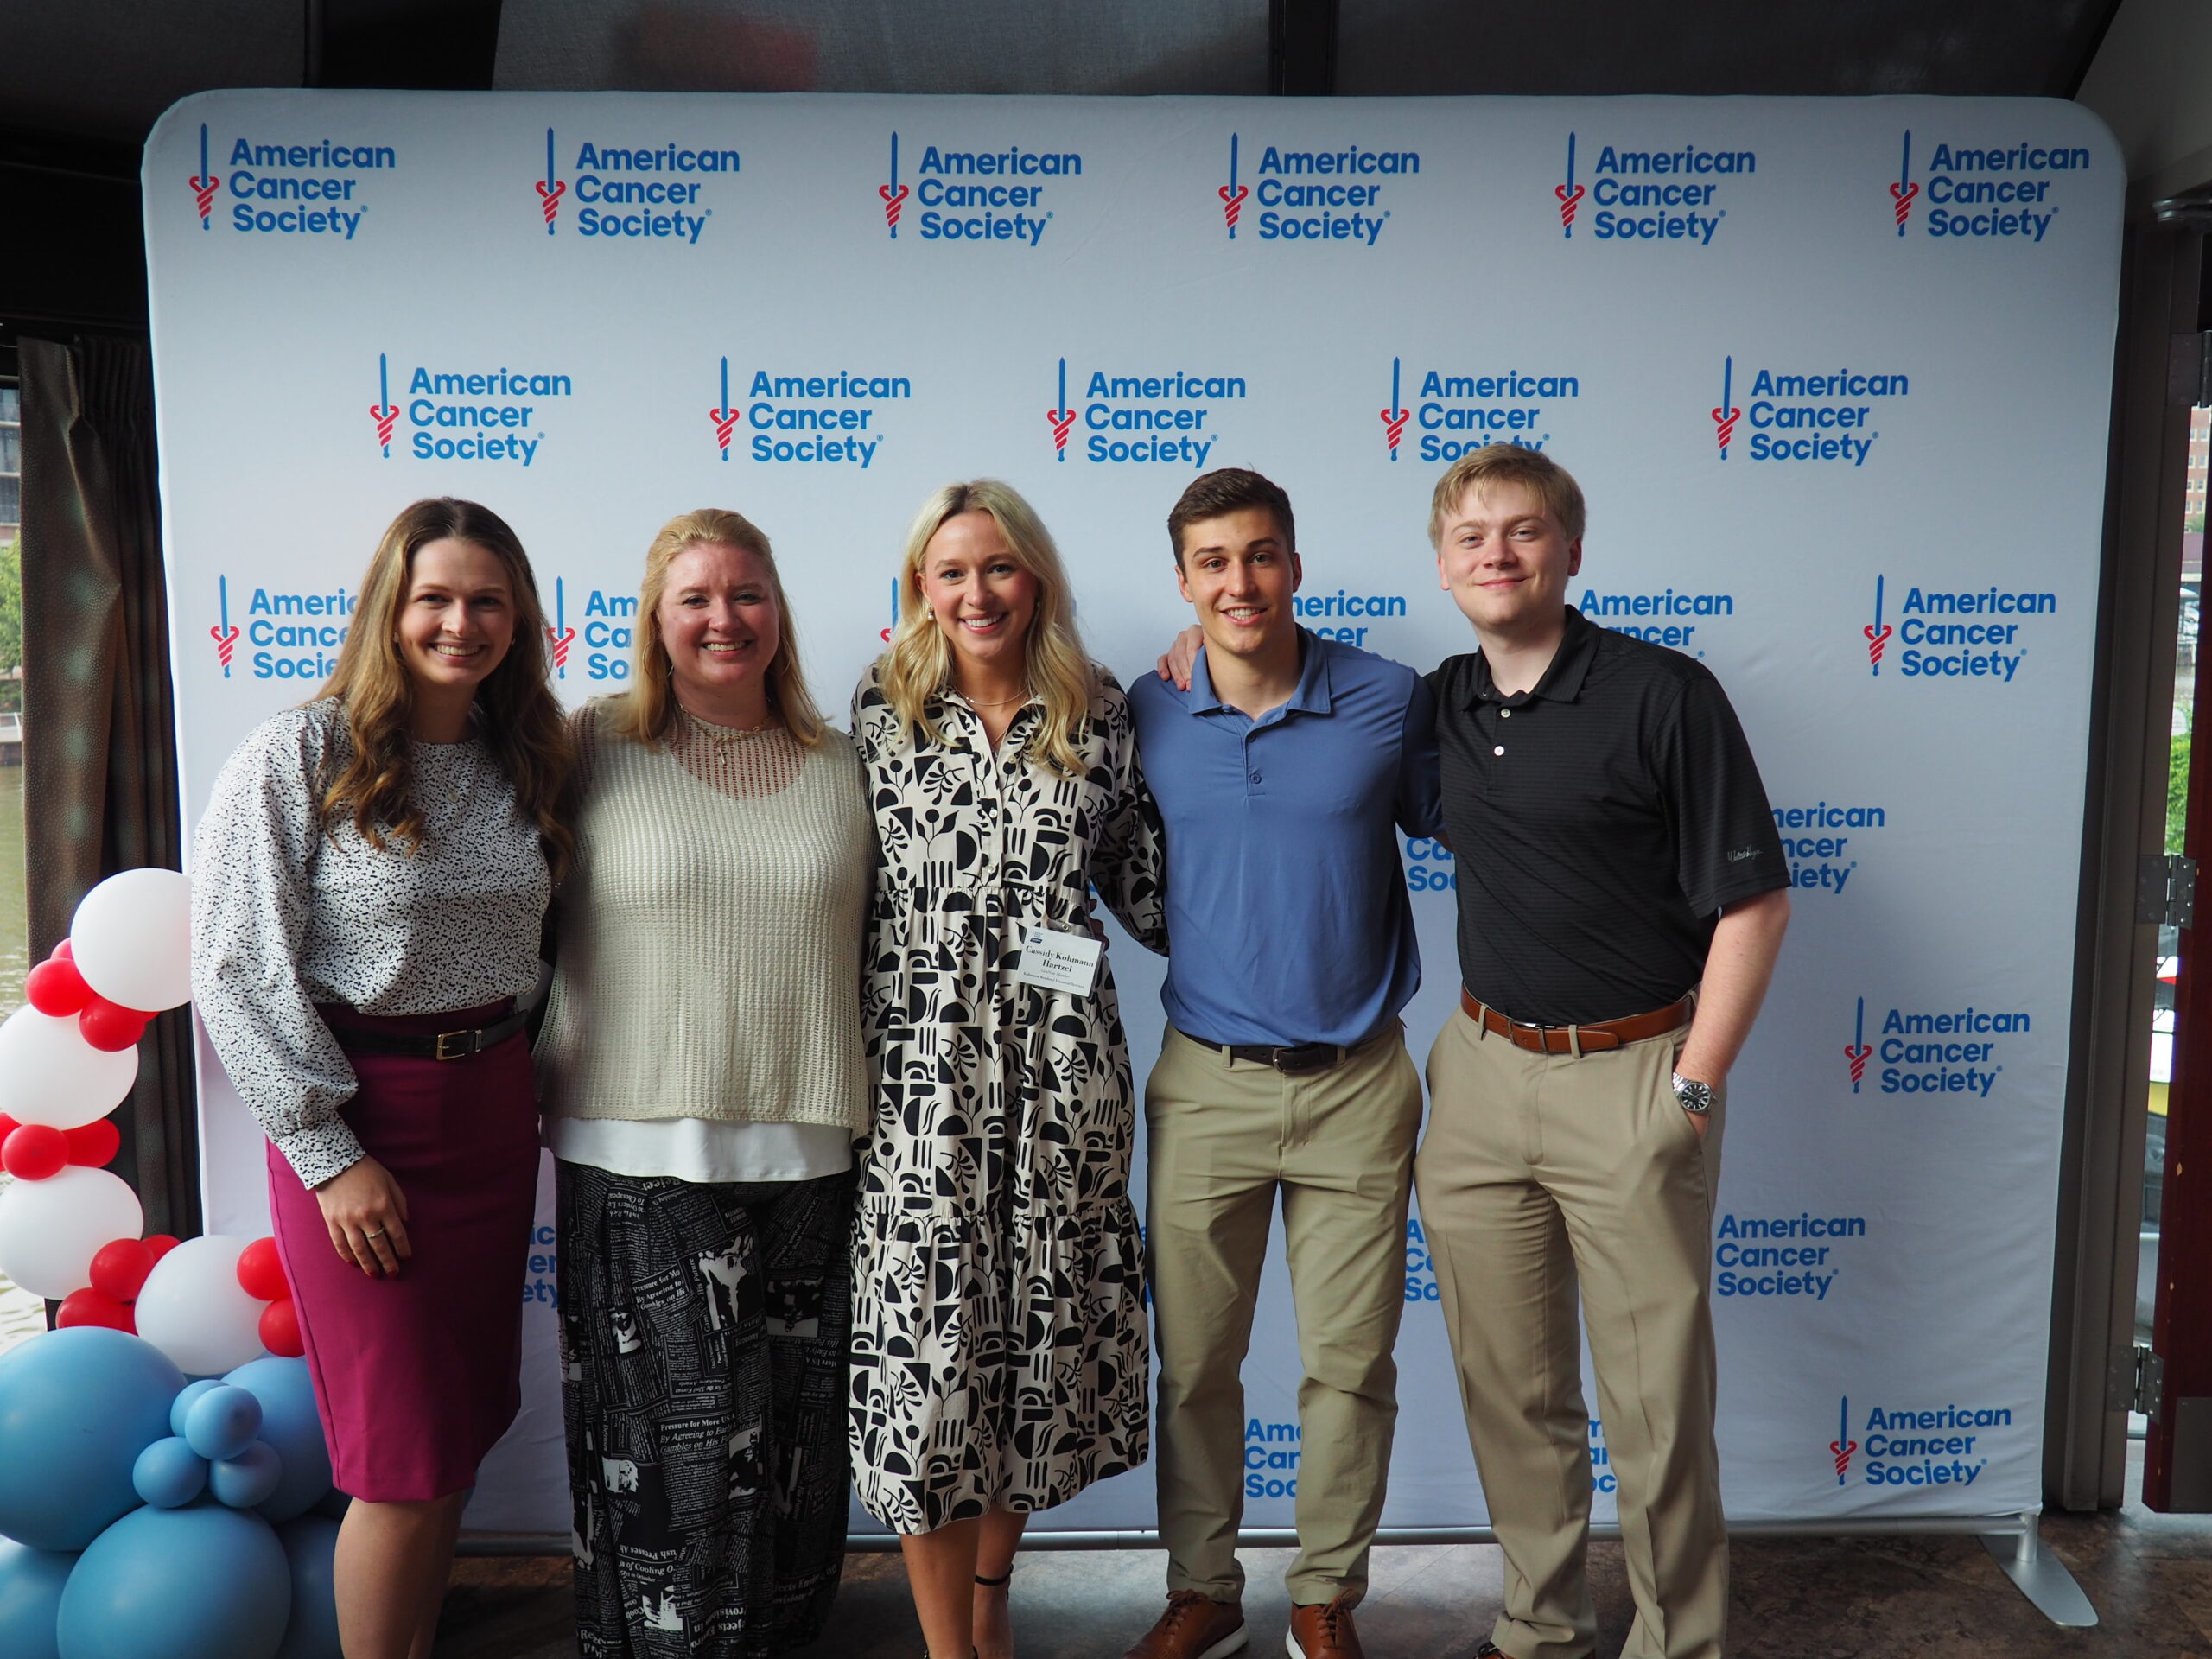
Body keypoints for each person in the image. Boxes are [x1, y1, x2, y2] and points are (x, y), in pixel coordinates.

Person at [1415, 445, 1789, 1659]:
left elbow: (1754, 905)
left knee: (1654, 1401)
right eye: (1471, 536)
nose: (1497, 554)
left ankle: (1680, 1641)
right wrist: (1190, 653)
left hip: (1637, 1074)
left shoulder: (1664, 694)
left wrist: (1693, 1085)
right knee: (1510, 1390)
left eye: (1523, 531)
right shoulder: (1439, 702)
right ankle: (1539, 1623)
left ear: (1571, 550)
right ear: (1443, 565)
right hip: (1480, 1073)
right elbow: (1292, 699)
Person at [192, 496, 572, 1659]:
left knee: (451, 1443)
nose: (462, 623)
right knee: (400, 1461)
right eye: (434, 599)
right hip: (366, 1127)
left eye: (487, 601)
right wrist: (328, 1155)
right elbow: (236, 968)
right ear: (386, 611)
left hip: (491, 1114)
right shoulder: (300, 753)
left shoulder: (529, 757)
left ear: (519, 619)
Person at [534, 509, 870, 1657]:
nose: (724, 618)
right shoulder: (588, 746)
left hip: (813, 1154)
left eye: (747, 593)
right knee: (673, 1464)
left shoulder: (847, 764)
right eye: (696, 598)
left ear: (779, 610)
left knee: (799, 1459)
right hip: (639, 1152)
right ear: (655, 620)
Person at [1121, 469, 1440, 1659]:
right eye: (1213, 562)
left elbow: (1479, 819)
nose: (1239, 582)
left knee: (1350, 1364)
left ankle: (1326, 1595)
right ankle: (1203, 1589)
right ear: (1184, 581)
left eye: (1259, 555)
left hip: (1359, 1081)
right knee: (1195, 1363)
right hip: (1207, 1082)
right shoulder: (1147, 708)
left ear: (1295, 565)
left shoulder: (1388, 698)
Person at [849, 479, 1168, 1659]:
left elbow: (1152, 893)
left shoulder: (1104, 711)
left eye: (998, 567)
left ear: (1036, 577)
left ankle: (991, 1601)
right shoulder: (880, 710)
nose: (976, 592)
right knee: (930, 1367)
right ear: (920, 588)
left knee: (1030, 1354)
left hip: (1063, 1079)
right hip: (919, 1082)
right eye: (951, 572)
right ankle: (950, 1649)